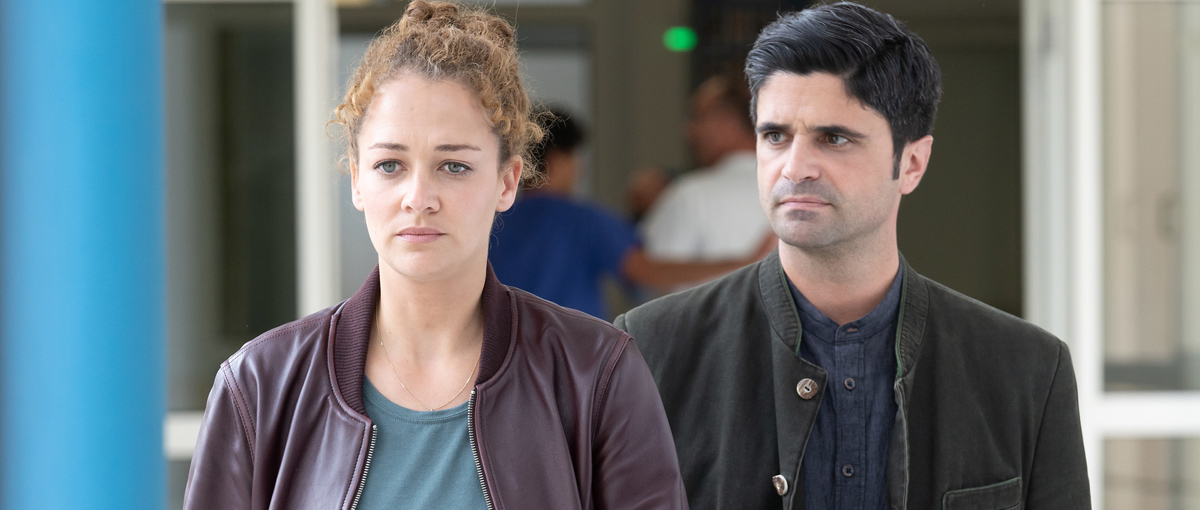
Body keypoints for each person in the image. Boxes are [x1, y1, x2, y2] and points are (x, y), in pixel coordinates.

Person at [183, 3, 687, 509]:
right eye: (389, 165)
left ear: (507, 181)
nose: (418, 198)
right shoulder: (259, 384)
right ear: (356, 180)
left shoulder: (597, 373)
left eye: (453, 166)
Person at [615, 3, 1090, 509]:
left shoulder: (1026, 370)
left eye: (834, 138)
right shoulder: (650, 351)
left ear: (912, 163)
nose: (794, 167)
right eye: (775, 136)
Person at [490, 109, 771, 319]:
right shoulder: (582, 221)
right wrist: (745, 262)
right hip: (566, 360)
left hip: (498, 355)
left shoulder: (493, 218)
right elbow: (647, 273)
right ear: (561, 159)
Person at [638, 74, 773, 289]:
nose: (690, 132)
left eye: (698, 117)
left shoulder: (692, 195)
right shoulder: (798, 192)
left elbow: (645, 280)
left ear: (727, 122)